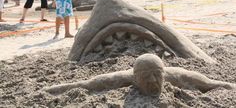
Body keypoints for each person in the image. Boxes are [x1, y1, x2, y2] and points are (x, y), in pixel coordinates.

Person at [43, 54, 236, 95]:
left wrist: (229, 86)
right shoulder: (123, 78)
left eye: (157, 75)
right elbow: (85, 84)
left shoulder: (175, 75)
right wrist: (48, 90)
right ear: (136, 78)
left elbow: (212, 83)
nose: (153, 81)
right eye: (146, 76)